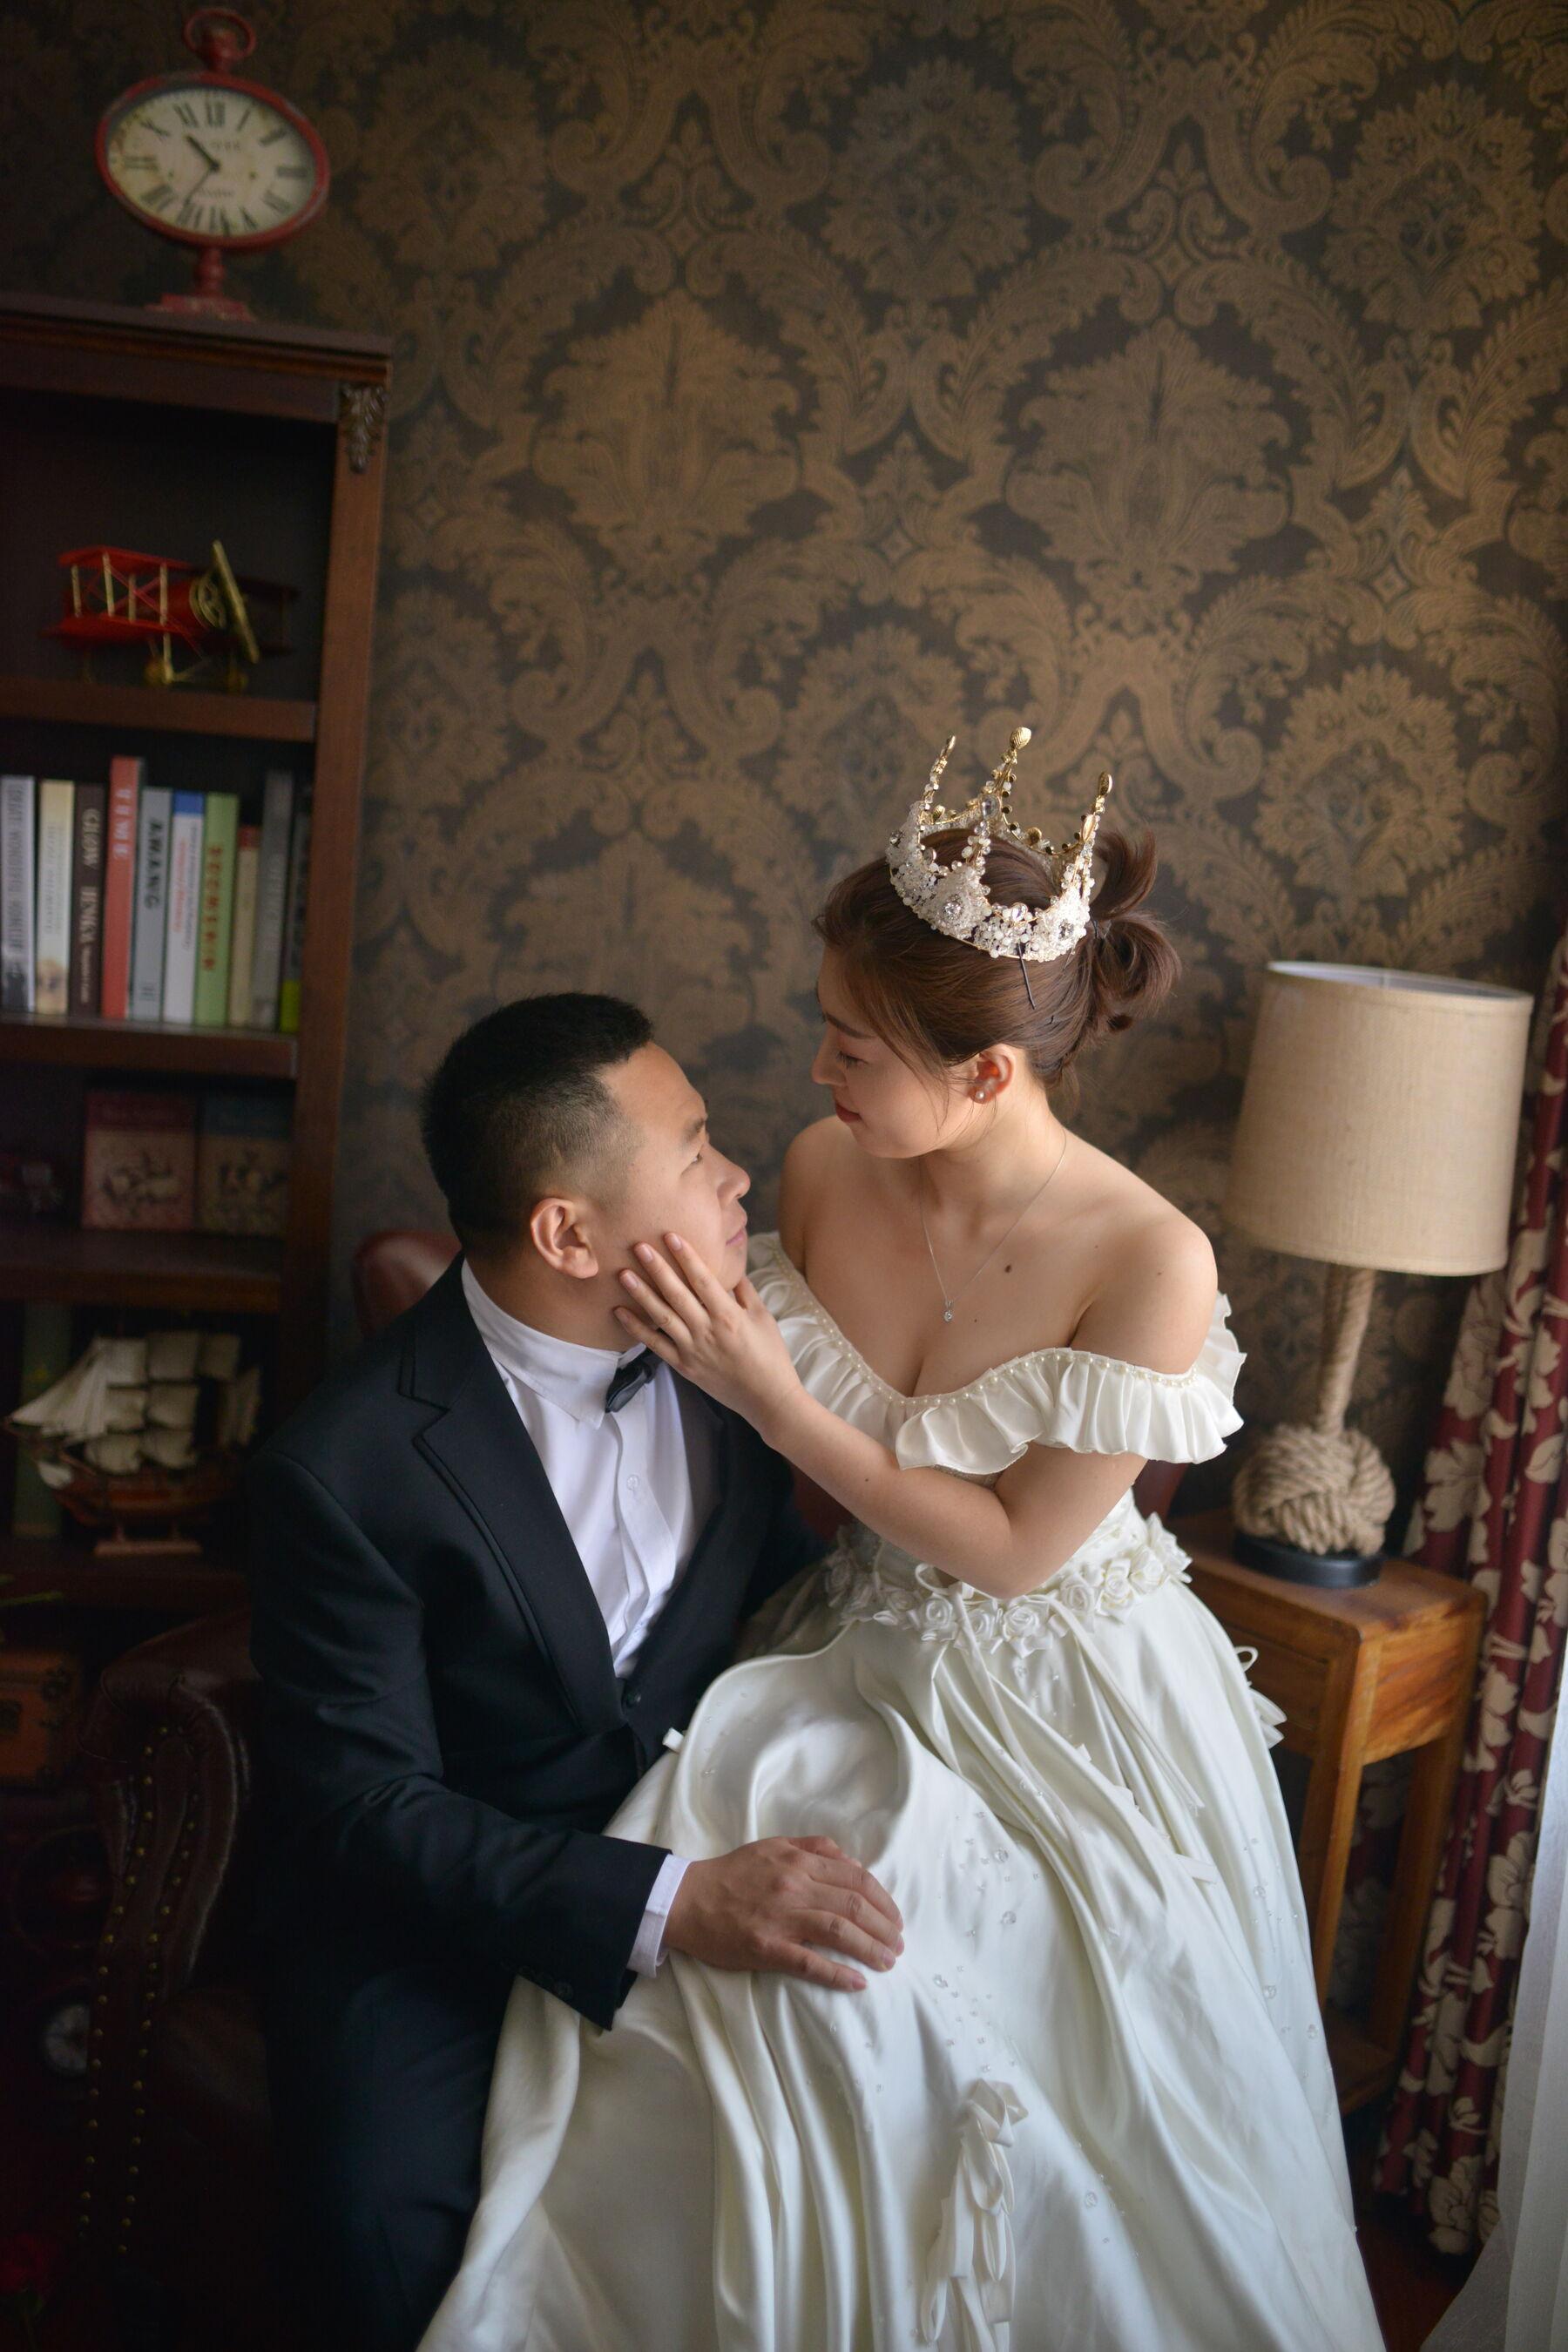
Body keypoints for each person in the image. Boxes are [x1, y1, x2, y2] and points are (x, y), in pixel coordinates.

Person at [419, 733, 1384, 2351]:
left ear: (989, 1074)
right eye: (826, 1028)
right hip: (845, 1649)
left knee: (1025, 2068)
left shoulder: (1150, 1262)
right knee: (751, 2000)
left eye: (853, 1048)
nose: (818, 1075)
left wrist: (774, 1395)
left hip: (1065, 1692)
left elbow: (1012, 1553)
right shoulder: (823, 1170)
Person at [248, 993, 904, 2352]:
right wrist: (676, 1902)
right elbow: (370, 1813)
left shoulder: (735, 1352)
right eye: (697, 1150)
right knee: (383, 2212)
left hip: (709, 1816)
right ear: (568, 1234)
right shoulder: (343, 1469)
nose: (738, 1179)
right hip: (440, 1916)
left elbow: (779, 1587)